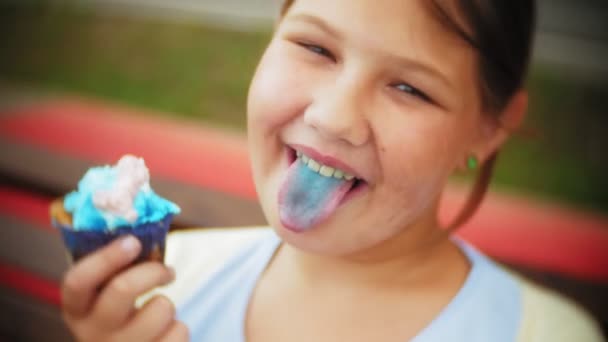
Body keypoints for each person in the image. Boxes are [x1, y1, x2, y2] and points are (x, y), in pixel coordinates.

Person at [60, 0, 604, 341]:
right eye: (315, 47)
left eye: (409, 88)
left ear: (488, 129)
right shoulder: (164, 285)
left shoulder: (544, 335)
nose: (334, 116)